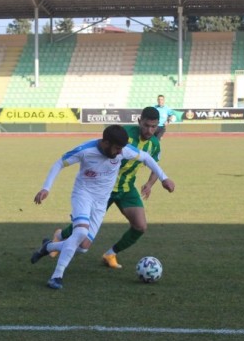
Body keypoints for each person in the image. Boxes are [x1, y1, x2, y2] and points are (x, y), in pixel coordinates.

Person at [30, 124, 175, 290]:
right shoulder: (86, 150)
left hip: (101, 202)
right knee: (80, 232)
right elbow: (59, 163)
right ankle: (57, 276)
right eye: (117, 148)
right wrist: (46, 188)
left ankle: (47, 247)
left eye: (122, 149)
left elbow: (147, 158)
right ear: (106, 143)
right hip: (83, 195)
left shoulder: (123, 150)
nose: (120, 153)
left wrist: (164, 178)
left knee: (83, 248)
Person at [51, 107, 166, 269]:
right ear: (139, 121)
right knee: (84, 225)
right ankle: (60, 236)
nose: (149, 130)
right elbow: (103, 149)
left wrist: (149, 184)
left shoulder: (154, 144)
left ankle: (110, 254)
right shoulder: (124, 134)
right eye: (146, 125)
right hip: (103, 188)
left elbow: (154, 165)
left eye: (153, 127)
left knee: (140, 226)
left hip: (126, 188)